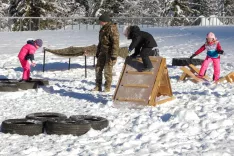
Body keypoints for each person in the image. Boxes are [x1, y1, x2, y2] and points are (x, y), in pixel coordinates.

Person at [92, 13, 119, 92]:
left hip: (109, 52)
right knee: (98, 68)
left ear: (105, 21)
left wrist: (114, 54)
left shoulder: (112, 28)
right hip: (102, 51)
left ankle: (107, 87)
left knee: (107, 70)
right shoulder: (103, 28)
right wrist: (98, 51)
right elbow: (100, 42)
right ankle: (98, 86)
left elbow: (115, 43)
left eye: (101, 21)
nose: (99, 23)